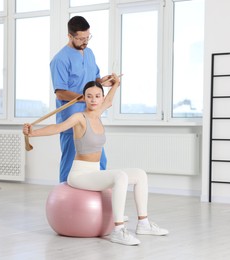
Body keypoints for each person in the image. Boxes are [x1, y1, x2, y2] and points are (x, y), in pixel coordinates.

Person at [23, 74, 169, 246]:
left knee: (140, 174)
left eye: (97, 96)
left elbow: (109, 101)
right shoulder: (79, 117)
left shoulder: (98, 114)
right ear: (83, 98)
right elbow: (58, 127)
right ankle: (118, 230)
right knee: (120, 176)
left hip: (94, 171)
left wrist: (116, 84)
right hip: (79, 174)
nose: (94, 100)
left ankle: (143, 223)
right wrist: (32, 132)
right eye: (89, 96)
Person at [50, 15, 113, 183]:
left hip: (92, 117)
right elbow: (60, 92)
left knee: (100, 160)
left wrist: (104, 81)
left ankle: (99, 194)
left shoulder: (90, 53)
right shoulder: (60, 60)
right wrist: (84, 98)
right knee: (70, 160)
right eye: (81, 38)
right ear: (70, 36)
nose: (85, 42)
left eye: (88, 37)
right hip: (72, 118)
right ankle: (63, 197)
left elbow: (94, 81)